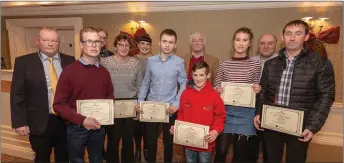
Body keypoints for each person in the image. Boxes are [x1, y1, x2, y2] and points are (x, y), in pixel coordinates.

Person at [254, 20, 335, 163]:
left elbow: (326, 96)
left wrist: (313, 126)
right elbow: (262, 91)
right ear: (282, 37)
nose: (292, 38)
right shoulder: (271, 64)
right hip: (272, 123)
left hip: (300, 126)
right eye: (288, 34)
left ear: (306, 37)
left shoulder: (320, 63)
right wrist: (259, 112)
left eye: (298, 34)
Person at [10, 27, 74, 163]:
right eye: (46, 40)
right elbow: (17, 94)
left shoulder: (70, 61)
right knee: (41, 157)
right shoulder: (24, 62)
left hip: (65, 120)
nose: (50, 44)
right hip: (39, 121)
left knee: (64, 156)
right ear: (38, 41)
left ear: (58, 43)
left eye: (54, 41)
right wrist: (20, 122)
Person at [53, 27, 114, 163]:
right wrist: (82, 120)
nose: (94, 45)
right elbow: (58, 105)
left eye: (97, 42)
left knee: (97, 159)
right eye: (89, 42)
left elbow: (109, 96)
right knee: (76, 160)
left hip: (98, 126)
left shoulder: (104, 72)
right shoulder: (69, 71)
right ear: (81, 45)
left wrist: (106, 112)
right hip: (76, 128)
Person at [136, 29, 187, 163]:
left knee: (168, 143)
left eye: (171, 42)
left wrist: (176, 104)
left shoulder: (179, 62)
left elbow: (183, 84)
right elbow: (146, 83)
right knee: (151, 142)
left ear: (175, 45)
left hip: (169, 109)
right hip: (151, 107)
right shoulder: (151, 61)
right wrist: (140, 101)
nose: (167, 45)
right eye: (164, 41)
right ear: (159, 43)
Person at [214, 27, 261, 163]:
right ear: (233, 42)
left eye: (245, 40)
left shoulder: (255, 64)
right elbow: (216, 86)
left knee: (240, 153)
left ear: (249, 43)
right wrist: (218, 90)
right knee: (221, 151)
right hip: (226, 112)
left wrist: (257, 89)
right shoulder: (224, 64)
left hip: (246, 114)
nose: (241, 43)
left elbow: (256, 87)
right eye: (238, 39)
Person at [170, 61, 226, 163]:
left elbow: (220, 116)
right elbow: (181, 113)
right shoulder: (185, 94)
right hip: (188, 141)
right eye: (195, 75)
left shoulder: (214, 96)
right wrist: (177, 127)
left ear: (208, 75)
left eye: (201, 75)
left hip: (205, 142)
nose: (198, 78)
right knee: (189, 160)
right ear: (191, 75)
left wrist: (216, 131)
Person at [100, 33, 143, 163]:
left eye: (127, 45)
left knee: (128, 141)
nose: (123, 48)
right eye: (120, 45)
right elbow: (101, 85)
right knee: (113, 140)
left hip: (131, 106)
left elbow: (140, 86)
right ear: (115, 46)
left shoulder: (135, 63)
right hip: (112, 106)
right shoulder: (105, 62)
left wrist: (139, 106)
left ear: (130, 47)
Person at [249, 33, 278, 162]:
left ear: (276, 45)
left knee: (270, 148)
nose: (266, 46)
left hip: (271, 108)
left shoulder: (281, 62)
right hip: (251, 107)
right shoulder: (250, 61)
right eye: (262, 43)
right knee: (252, 144)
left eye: (270, 43)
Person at [133, 33, 153, 162]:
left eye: (147, 44)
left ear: (150, 46)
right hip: (137, 96)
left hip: (151, 98)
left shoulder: (155, 59)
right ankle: (138, 149)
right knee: (137, 126)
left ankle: (146, 148)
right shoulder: (133, 60)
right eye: (142, 44)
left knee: (148, 126)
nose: (145, 46)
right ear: (138, 45)